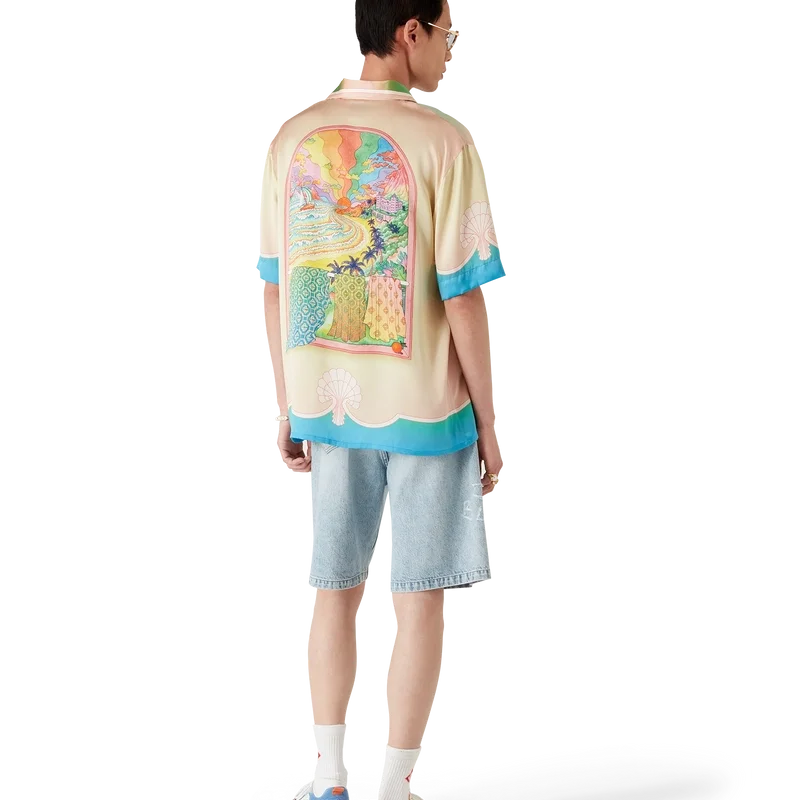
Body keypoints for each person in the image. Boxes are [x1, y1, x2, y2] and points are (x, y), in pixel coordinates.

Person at [257, 2, 505, 797]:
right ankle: (396, 784)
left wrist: (285, 406)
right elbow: (463, 295)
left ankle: (328, 775)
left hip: (329, 406)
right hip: (429, 406)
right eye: (449, 32)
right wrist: (491, 425)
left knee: (332, 587)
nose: (451, 51)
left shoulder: (291, 136)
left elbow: (275, 289)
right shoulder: (445, 141)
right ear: (411, 32)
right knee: (418, 593)